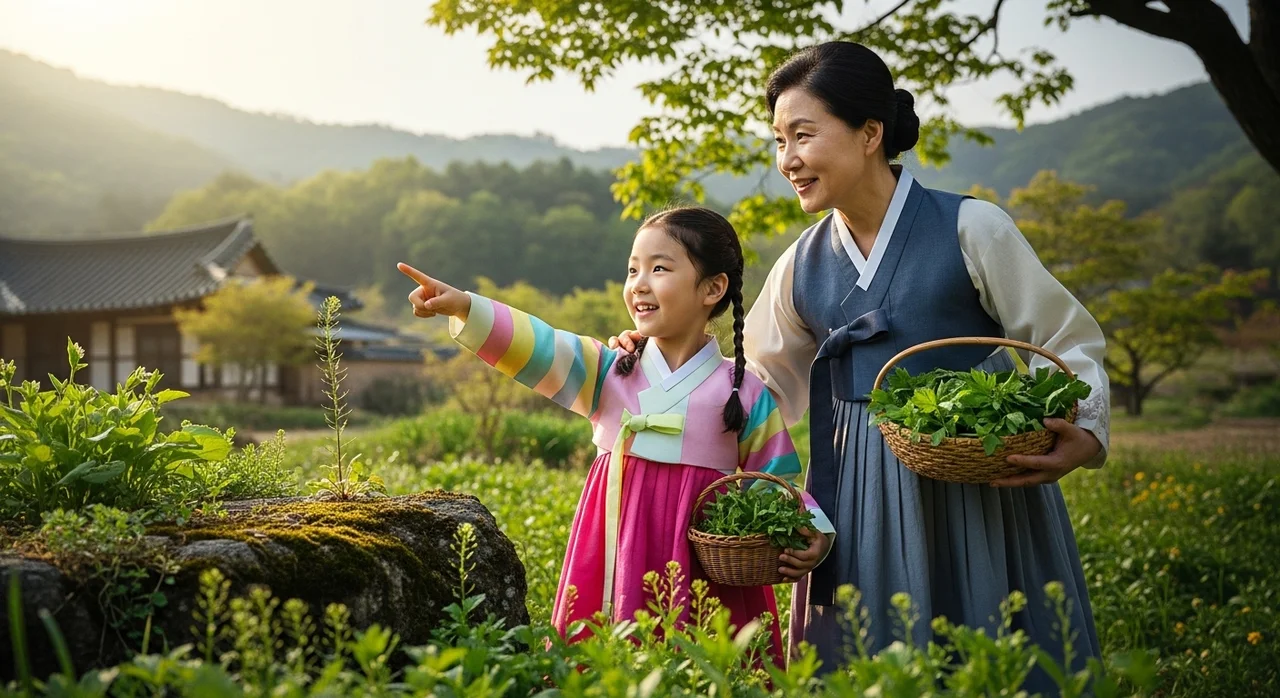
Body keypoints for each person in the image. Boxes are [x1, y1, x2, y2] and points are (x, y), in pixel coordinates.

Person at [608, 41, 1110, 690]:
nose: (787, 159)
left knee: (990, 657)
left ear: (870, 133)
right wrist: (650, 352)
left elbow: (1065, 338)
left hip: (972, 484)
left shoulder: (970, 228)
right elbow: (747, 386)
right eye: (778, 140)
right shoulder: (801, 264)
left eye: (802, 135)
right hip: (854, 494)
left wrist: (1086, 431)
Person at [398, 206, 834, 667]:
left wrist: (815, 531)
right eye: (633, 269)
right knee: (606, 659)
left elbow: (776, 478)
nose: (639, 284)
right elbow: (540, 345)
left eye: (659, 268)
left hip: (706, 572)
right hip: (613, 550)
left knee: (706, 669)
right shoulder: (607, 370)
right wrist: (466, 306)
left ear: (713, 287)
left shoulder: (741, 389)